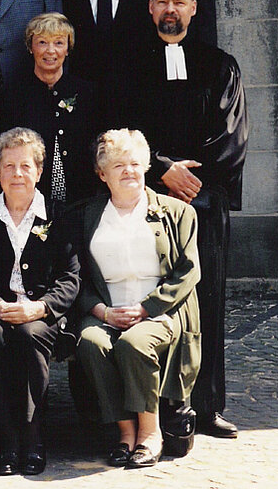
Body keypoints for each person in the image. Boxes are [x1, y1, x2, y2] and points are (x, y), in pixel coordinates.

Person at [124, 0, 248, 439]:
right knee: (153, 301)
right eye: (162, 2)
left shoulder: (220, 65)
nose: (170, 10)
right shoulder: (128, 66)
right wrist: (162, 169)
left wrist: (189, 182)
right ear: (150, 8)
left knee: (207, 302)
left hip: (204, 205)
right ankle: (154, 405)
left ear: (194, 8)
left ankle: (208, 405)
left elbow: (232, 136)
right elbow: (120, 129)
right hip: (147, 202)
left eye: (179, 2)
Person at [75, 129, 201, 469]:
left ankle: (150, 431)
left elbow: (189, 272)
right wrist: (101, 311)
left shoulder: (178, 212)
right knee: (90, 342)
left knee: (134, 343)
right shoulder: (86, 216)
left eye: (134, 163)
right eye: (118, 165)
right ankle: (125, 431)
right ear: (102, 174)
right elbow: (76, 275)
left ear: (146, 166)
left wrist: (147, 308)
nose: (128, 171)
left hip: (160, 312)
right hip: (106, 311)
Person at [0, 127, 79, 476]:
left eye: (26, 166)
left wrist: (39, 307)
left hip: (41, 313)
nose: (17, 174)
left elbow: (70, 278)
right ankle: (7, 439)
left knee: (30, 335)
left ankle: (32, 437)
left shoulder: (59, 216)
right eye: (9, 166)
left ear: (39, 172)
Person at [0, 13, 99, 216]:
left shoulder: (87, 92)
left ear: (68, 48)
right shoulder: (13, 95)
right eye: (42, 42)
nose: (50, 51)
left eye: (59, 43)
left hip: (82, 200)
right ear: (30, 47)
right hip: (29, 202)